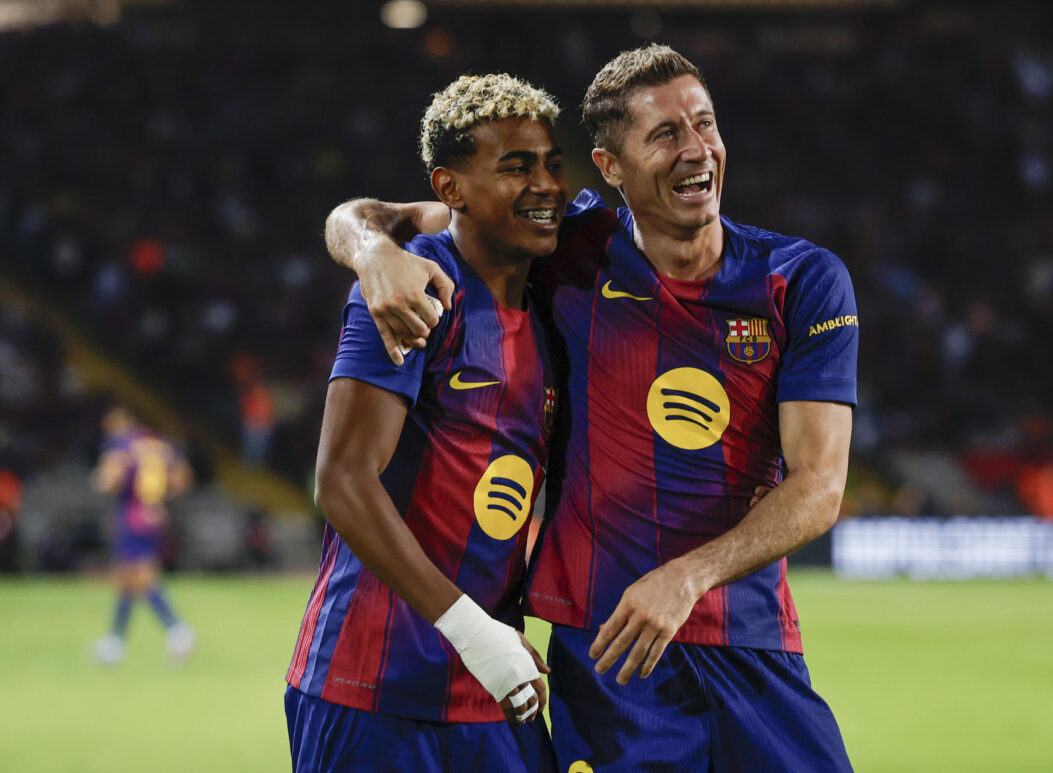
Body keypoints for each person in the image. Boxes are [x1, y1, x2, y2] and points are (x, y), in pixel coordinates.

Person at [326, 45, 858, 772]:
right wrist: (369, 252)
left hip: (750, 642)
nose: (696, 148)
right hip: (607, 656)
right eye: (666, 133)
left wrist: (688, 576)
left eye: (704, 124)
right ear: (611, 168)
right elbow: (388, 216)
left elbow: (821, 485)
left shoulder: (800, 279)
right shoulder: (569, 244)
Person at [285, 73, 566, 772]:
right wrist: (372, 252)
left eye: (551, 163)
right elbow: (343, 479)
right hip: (373, 691)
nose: (545, 185)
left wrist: (366, 239)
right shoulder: (415, 290)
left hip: (497, 687)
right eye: (516, 167)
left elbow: (363, 216)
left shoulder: (560, 292)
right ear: (452, 189)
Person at [90, 405, 195, 666]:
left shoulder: (121, 445)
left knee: (142, 578)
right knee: (127, 580)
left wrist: (101, 481)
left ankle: (177, 629)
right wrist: (160, 500)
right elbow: (183, 478)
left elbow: (108, 481)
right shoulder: (158, 444)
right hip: (152, 517)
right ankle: (115, 642)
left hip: (131, 517)